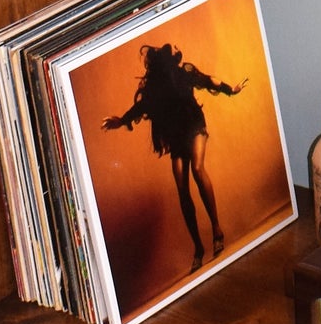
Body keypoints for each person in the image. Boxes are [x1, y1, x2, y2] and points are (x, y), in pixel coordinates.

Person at [103, 43, 247, 271]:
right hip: (176, 136)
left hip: (194, 125)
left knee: (198, 169)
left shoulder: (184, 72)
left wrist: (231, 90)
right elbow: (140, 108)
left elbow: (209, 80)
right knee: (182, 189)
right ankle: (198, 247)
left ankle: (217, 229)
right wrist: (121, 120)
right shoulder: (153, 89)